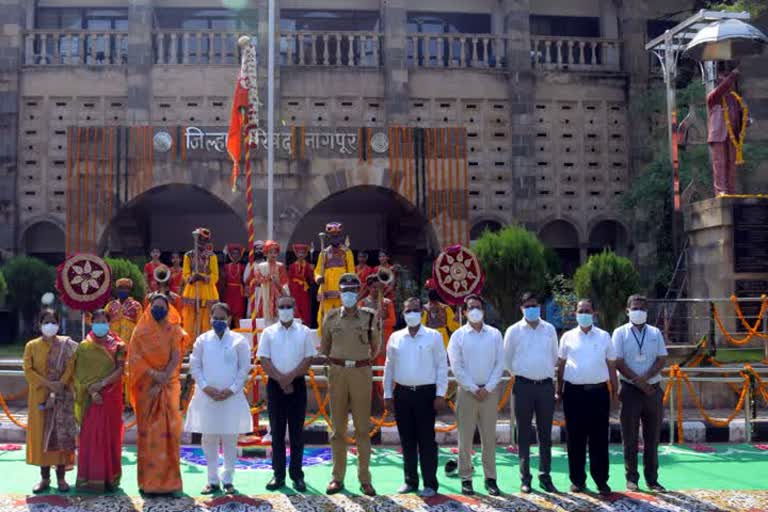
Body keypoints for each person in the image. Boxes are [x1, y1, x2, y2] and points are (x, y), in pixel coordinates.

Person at [320, 273, 380, 496]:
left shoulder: (370, 317)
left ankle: (365, 479)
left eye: (353, 290)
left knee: (363, 429)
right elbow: (324, 348)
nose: (348, 295)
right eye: (345, 291)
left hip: (360, 372)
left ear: (359, 292)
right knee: (338, 430)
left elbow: (375, 349)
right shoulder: (331, 317)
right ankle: (337, 478)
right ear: (339, 292)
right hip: (337, 373)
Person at [185, 303, 253, 495]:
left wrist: (231, 390)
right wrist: (206, 387)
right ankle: (212, 480)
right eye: (215, 318)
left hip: (231, 398)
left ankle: (228, 479)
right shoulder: (202, 340)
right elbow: (195, 366)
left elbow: (244, 369)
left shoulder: (239, 341)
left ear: (229, 319)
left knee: (230, 439)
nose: (218, 322)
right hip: (207, 397)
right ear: (210, 318)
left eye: (222, 319)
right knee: (209, 439)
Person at [383, 297, 447, 498]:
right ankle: (410, 480)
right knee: (407, 439)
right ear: (403, 314)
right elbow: (389, 367)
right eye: (408, 310)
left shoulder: (433, 336)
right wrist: (387, 393)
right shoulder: (395, 337)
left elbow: (442, 366)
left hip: (426, 394)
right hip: (402, 393)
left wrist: (440, 393)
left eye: (415, 310)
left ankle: (430, 483)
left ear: (422, 312)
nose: (411, 314)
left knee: (426, 440)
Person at [556, 298, 618, 496]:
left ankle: (601, 480)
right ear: (575, 314)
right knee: (575, 439)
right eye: (580, 310)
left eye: (587, 310)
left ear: (594, 313)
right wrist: (559, 390)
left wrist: (614, 391)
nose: (583, 313)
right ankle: (577, 480)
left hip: (599, 393)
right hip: (573, 393)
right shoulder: (567, 337)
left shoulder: (604, 336)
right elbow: (561, 365)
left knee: (599, 438)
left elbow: (611, 365)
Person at [257, 295, 317, 492]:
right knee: (276, 432)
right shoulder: (268, 332)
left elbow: (308, 359)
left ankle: (297, 475)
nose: (284, 309)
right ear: (276, 309)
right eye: (281, 306)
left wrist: (290, 378)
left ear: (294, 308)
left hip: (297, 385)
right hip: (275, 386)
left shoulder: (305, 332)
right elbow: (264, 359)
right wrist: (281, 380)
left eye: (288, 306)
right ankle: (278, 474)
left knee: (297, 433)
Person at [447, 295, 504, 497]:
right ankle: (466, 478)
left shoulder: (495, 334)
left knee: (489, 437)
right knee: (465, 437)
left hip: (489, 393)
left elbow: (500, 363)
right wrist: (473, 387)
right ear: (464, 312)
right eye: (470, 307)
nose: (475, 310)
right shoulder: (458, 336)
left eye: (478, 307)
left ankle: (491, 479)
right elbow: (456, 366)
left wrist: (487, 388)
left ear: (484, 310)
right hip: (466, 393)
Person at [128, 294, 185, 495]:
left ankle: (170, 483)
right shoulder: (140, 331)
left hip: (168, 386)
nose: (158, 310)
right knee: (148, 435)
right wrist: (154, 375)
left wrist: (164, 377)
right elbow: (134, 357)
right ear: (149, 307)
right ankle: (148, 483)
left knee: (169, 434)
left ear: (168, 309)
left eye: (162, 307)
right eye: (155, 306)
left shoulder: (173, 329)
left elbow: (176, 356)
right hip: (146, 388)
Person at [503, 292, 559, 494]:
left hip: (545, 386)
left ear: (540, 307)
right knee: (524, 434)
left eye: (534, 305)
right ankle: (525, 477)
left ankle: (545, 476)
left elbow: (554, 356)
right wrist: (521, 374)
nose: (532, 309)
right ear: (521, 309)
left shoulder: (549, 329)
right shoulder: (513, 331)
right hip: (523, 386)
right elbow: (507, 359)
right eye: (527, 306)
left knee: (545, 434)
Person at [612, 294, 668, 493]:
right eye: (635, 308)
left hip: (652, 389)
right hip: (629, 389)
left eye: (642, 308)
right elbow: (618, 361)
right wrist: (638, 381)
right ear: (627, 311)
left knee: (652, 437)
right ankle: (632, 478)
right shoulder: (619, 333)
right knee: (630, 436)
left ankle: (652, 479)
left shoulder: (655, 333)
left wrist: (646, 378)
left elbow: (662, 359)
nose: (639, 312)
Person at [23, 309, 77, 493]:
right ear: (39, 325)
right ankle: (44, 478)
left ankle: (61, 479)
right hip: (39, 398)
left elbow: (71, 366)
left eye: (53, 321)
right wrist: (48, 384)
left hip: (61, 397)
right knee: (41, 439)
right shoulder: (32, 346)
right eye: (46, 321)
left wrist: (60, 384)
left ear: (59, 324)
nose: (50, 325)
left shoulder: (66, 345)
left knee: (61, 436)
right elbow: (28, 370)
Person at [73, 309, 126, 492]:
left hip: (110, 397)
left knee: (110, 436)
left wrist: (101, 385)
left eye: (104, 320)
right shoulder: (83, 346)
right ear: (91, 322)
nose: (100, 324)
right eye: (97, 321)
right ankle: (89, 477)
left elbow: (120, 370)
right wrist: (90, 390)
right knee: (91, 437)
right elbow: (78, 374)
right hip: (90, 398)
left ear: (109, 323)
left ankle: (109, 478)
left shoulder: (119, 345)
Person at [359, 273, 396, 401]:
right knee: (366, 374)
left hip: (384, 342)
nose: (376, 290)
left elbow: (393, 321)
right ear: (369, 288)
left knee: (382, 374)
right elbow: (360, 324)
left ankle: (385, 403)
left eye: (379, 288)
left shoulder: (387, 303)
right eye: (374, 287)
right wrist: (375, 319)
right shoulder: (362, 303)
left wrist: (381, 321)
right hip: (367, 343)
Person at [707, 65, 742, 195]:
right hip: (718, 135)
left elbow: (740, 113)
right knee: (720, 164)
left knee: (731, 164)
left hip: (732, 135)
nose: (728, 84)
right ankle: (721, 190)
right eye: (723, 80)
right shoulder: (714, 96)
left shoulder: (734, 99)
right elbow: (721, 89)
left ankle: (731, 190)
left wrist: (746, 120)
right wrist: (733, 75)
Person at [315, 222, 354, 334]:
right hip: (326, 290)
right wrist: (318, 278)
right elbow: (317, 270)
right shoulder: (324, 253)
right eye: (332, 236)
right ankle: (324, 344)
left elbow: (351, 272)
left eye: (337, 236)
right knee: (323, 318)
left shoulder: (347, 252)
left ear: (341, 237)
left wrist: (348, 288)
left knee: (342, 318)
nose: (335, 238)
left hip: (342, 291)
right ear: (329, 237)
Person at [182, 227, 219, 339]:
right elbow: (185, 274)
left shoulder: (212, 256)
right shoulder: (188, 255)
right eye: (200, 239)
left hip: (208, 292)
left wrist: (202, 278)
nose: (202, 242)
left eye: (204, 240)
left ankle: (205, 343)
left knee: (206, 319)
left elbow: (215, 276)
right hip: (192, 290)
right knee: (190, 318)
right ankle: (189, 346)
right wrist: (192, 278)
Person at [255, 240, 290, 325]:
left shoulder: (280, 266)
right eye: (270, 252)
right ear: (266, 253)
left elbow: (284, 282)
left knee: (278, 320)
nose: (273, 254)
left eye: (275, 252)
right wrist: (269, 278)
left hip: (278, 295)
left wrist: (278, 284)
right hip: (265, 295)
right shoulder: (261, 266)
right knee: (266, 321)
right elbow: (258, 280)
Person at [105, 278, 143, 348]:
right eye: (120, 288)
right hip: (112, 345)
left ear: (130, 290)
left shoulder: (136, 306)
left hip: (130, 346)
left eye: (126, 288)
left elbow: (140, 327)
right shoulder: (110, 305)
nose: (123, 290)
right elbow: (103, 323)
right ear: (116, 290)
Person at [421, 280, 459, 348]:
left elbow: (420, 327)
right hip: (442, 341)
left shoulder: (423, 309)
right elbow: (453, 327)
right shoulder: (446, 308)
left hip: (428, 340)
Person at [288, 243, 315, 326]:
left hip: (304, 290)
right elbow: (289, 278)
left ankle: (305, 324)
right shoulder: (292, 266)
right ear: (296, 254)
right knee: (296, 306)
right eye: (299, 253)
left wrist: (312, 270)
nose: (301, 255)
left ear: (305, 254)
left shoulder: (307, 265)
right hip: (294, 290)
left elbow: (311, 279)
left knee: (305, 307)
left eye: (302, 253)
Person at [221, 243, 247, 324]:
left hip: (239, 294)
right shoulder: (225, 266)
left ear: (240, 255)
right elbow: (222, 281)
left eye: (237, 253)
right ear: (230, 254)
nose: (235, 255)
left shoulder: (243, 267)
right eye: (233, 253)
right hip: (228, 293)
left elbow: (246, 280)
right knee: (227, 315)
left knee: (238, 316)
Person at [243, 239, 265, 319]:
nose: (259, 251)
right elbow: (245, 279)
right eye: (257, 249)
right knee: (251, 312)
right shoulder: (250, 264)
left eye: (261, 249)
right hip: (253, 291)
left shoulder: (267, 264)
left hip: (264, 291)